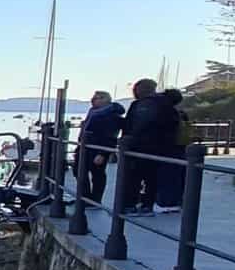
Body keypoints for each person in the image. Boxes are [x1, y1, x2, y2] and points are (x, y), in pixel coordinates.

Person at [118, 78, 173, 215]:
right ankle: (147, 205)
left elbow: (130, 126)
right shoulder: (165, 104)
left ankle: (131, 204)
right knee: (151, 178)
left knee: (133, 177)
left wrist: (127, 140)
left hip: (138, 146)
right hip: (156, 147)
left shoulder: (139, 105)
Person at [76, 90, 125, 204]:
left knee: (97, 174)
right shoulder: (94, 112)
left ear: (105, 100)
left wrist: (102, 153)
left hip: (98, 147)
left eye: (97, 98)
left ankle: (95, 199)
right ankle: (85, 197)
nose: (93, 100)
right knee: (79, 171)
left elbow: (111, 135)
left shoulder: (110, 114)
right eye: (93, 97)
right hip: (85, 146)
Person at [154, 88, 188, 212]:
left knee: (166, 176)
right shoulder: (181, 113)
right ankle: (176, 200)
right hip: (179, 149)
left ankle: (166, 201)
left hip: (166, 148)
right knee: (177, 176)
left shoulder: (164, 113)